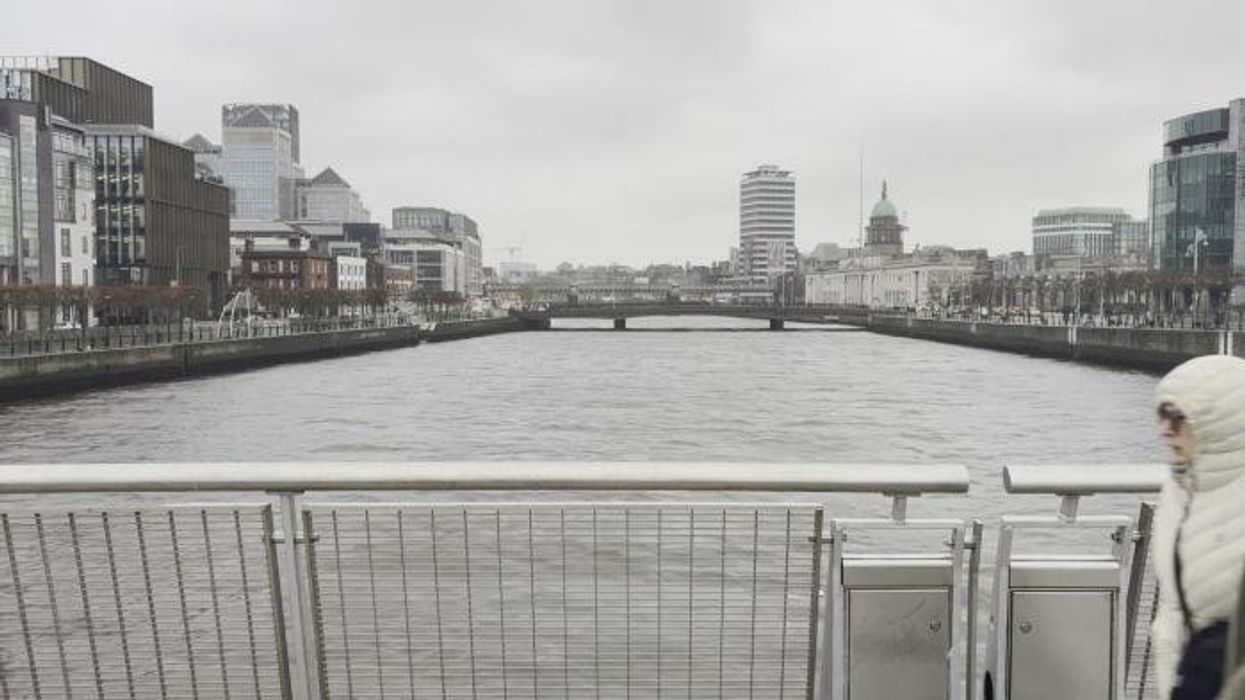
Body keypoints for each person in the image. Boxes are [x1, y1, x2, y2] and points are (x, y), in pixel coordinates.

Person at [1151, 355, 1245, 700]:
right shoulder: (1179, 491)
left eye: (1179, 419)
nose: (1166, 430)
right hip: (1190, 677)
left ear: (1221, 424)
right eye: (1163, 416)